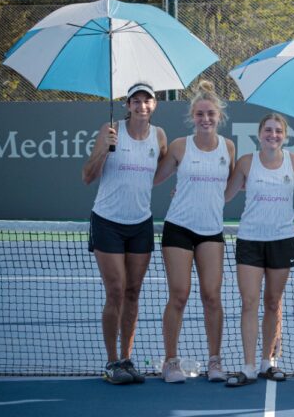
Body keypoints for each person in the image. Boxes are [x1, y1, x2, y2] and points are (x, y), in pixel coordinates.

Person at [82, 82, 168, 384]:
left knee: (133, 292)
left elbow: (158, 171)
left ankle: (127, 358)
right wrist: (104, 150)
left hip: (141, 224)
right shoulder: (109, 129)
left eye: (147, 100)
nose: (141, 105)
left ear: (154, 105)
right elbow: (87, 176)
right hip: (107, 221)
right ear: (127, 104)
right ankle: (111, 362)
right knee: (116, 291)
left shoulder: (159, 136)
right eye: (136, 100)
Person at [153, 80, 235, 384]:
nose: (205, 119)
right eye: (200, 114)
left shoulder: (228, 147)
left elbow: (226, 186)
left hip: (211, 232)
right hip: (178, 229)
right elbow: (156, 177)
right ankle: (170, 361)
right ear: (192, 116)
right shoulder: (178, 146)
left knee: (212, 296)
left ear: (219, 116)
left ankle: (215, 361)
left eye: (210, 114)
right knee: (179, 295)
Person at [223, 113, 294, 386]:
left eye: (278, 131)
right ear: (259, 134)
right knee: (249, 303)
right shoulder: (246, 162)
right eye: (268, 130)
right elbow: (225, 194)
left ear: (284, 136)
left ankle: (268, 362)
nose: (273, 135)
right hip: (250, 240)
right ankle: (249, 366)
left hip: (282, 240)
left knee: (273, 302)